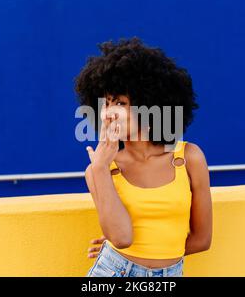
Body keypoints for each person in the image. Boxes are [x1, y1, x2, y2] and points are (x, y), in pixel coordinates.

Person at [74, 37, 212, 277]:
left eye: (120, 102)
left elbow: (202, 239)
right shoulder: (100, 169)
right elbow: (122, 238)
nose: (109, 113)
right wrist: (99, 168)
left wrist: (153, 256)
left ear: (150, 105)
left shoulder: (189, 158)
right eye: (106, 103)